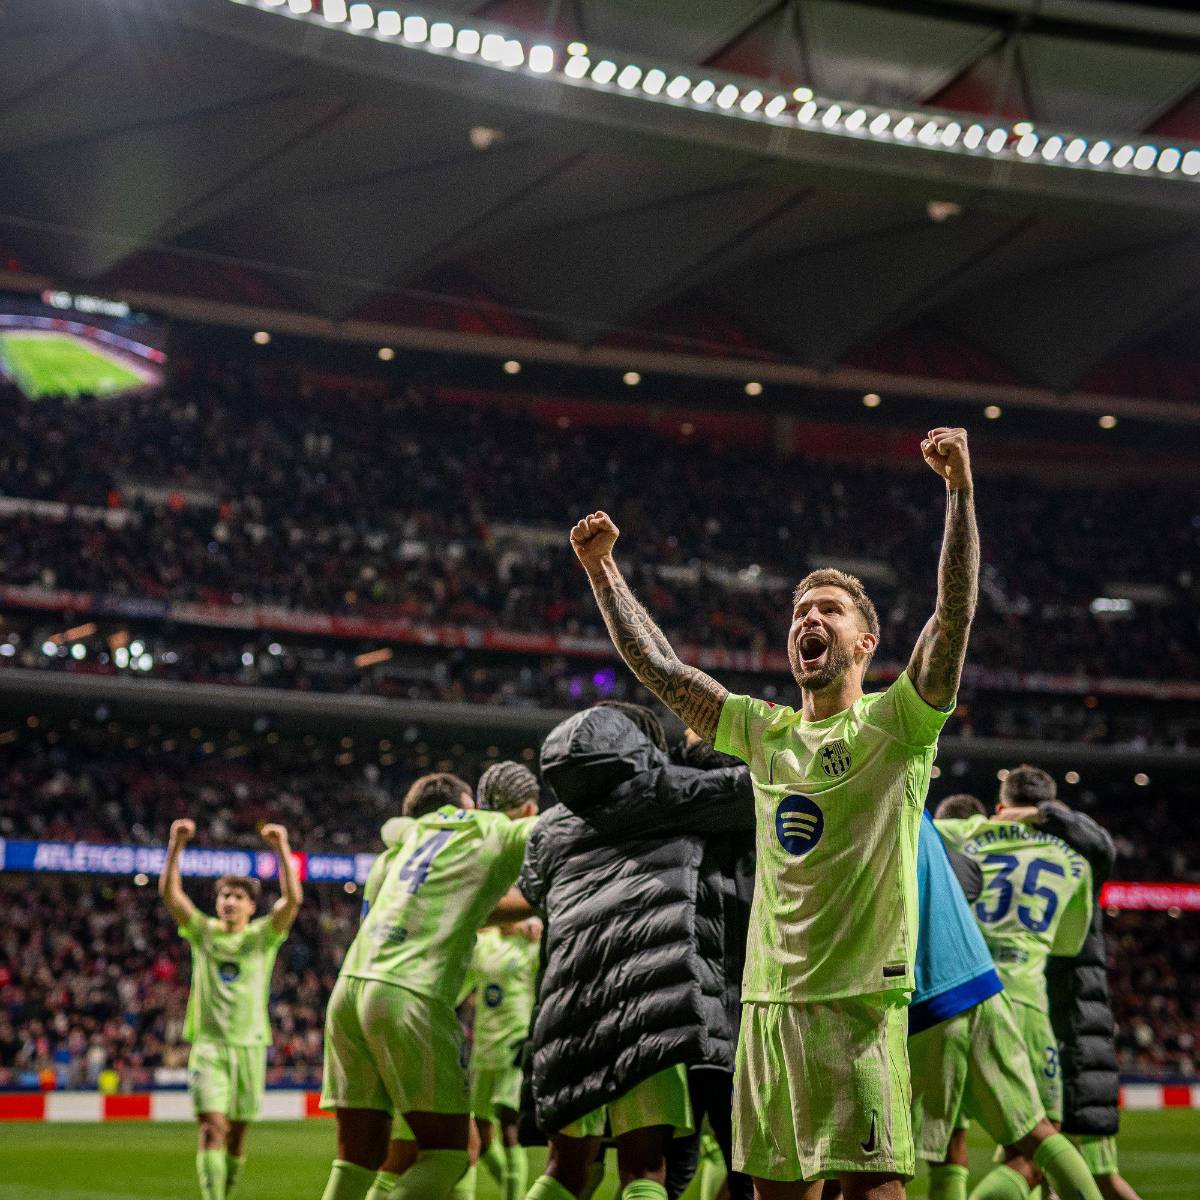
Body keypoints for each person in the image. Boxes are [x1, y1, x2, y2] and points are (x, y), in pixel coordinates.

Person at [571, 427, 979, 1199]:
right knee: (771, 1193)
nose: (806, 621)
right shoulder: (766, 733)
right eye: (798, 612)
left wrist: (958, 491)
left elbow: (952, 617)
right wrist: (604, 574)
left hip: (859, 1003)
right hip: (766, 1005)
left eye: (826, 610)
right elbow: (663, 672)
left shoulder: (897, 723)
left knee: (875, 1191)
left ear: (866, 641)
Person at [517, 702, 755, 1200]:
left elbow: (535, 893)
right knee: (644, 1170)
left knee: (564, 1170)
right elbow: (757, 792)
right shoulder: (667, 793)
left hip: (565, 1008)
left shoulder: (548, 828)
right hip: (646, 1000)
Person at [317, 770, 537, 1200]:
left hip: (350, 990)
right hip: (407, 997)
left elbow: (465, 907)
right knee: (449, 1154)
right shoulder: (477, 832)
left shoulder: (395, 852)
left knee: (360, 1155)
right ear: (462, 806)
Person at [934, 794, 1101, 1200]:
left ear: (1002, 805)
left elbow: (924, 830)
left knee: (949, 1146)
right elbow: (1066, 945)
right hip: (1023, 999)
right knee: (1039, 1139)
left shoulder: (965, 835)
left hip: (956, 996)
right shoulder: (1073, 858)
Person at [995, 767, 1143, 1200]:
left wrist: (1044, 814)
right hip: (1052, 1022)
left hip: (1073, 1029)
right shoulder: (1048, 857)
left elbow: (1100, 845)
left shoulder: (1075, 853)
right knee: (1042, 1168)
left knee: (1090, 1175)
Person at [159, 818, 302, 1200]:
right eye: (225, 895)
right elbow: (172, 896)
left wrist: (282, 848)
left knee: (238, 1136)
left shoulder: (262, 938)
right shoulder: (202, 932)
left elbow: (293, 901)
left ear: (252, 907)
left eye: (238, 896)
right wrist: (176, 844)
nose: (229, 901)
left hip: (250, 1046)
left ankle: (229, 1188)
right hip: (208, 1046)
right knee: (212, 1128)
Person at [469, 761, 545, 1200]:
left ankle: (514, 1195)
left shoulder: (531, 941)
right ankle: (509, 1189)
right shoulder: (487, 944)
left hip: (516, 1040)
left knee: (509, 1124)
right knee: (479, 1131)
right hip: (483, 1045)